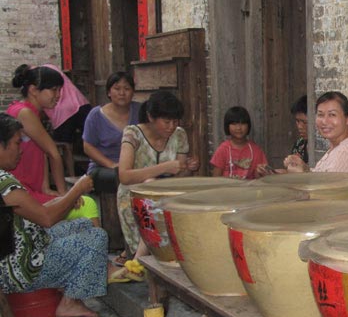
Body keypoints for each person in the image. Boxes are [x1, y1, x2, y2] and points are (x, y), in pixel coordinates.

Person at [0, 113, 107, 317]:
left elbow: (33, 212)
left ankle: (71, 289)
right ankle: (70, 301)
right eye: (15, 143)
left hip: (23, 249)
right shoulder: (4, 182)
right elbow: (46, 218)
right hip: (22, 268)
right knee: (97, 238)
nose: (20, 151)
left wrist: (65, 199)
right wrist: (76, 190)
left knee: (84, 225)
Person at [7, 64, 99, 222]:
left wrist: (47, 189)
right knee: (88, 205)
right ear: (34, 90)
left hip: (29, 190)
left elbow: (42, 153)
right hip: (22, 193)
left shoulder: (29, 111)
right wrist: (66, 196)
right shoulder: (25, 113)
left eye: (59, 90)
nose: (58, 95)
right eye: (54, 90)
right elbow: (53, 153)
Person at [117, 91, 200, 260]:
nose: (171, 126)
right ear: (151, 117)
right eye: (166, 121)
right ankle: (139, 259)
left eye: (175, 121)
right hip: (134, 197)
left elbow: (179, 178)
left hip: (168, 196)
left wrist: (188, 168)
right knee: (150, 185)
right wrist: (164, 168)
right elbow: (124, 176)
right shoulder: (133, 134)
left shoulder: (179, 135)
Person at [82, 72, 142, 191]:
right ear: (109, 92)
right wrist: (112, 165)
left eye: (127, 89)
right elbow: (87, 146)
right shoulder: (95, 115)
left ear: (133, 92)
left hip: (135, 167)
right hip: (103, 168)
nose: (122, 93)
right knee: (121, 177)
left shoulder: (140, 111)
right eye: (117, 88)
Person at [284, 91, 348, 174]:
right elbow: (323, 177)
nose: (324, 121)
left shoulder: (345, 154)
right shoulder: (337, 148)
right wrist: (304, 167)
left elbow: (326, 186)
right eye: (320, 115)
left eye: (332, 115)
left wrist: (302, 173)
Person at [210, 106, 271, 179]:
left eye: (242, 123)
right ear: (227, 126)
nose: (238, 128)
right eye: (234, 124)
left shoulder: (256, 151)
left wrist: (261, 172)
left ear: (248, 126)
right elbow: (216, 179)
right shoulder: (223, 150)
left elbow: (261, 179)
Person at [287, 96, 309, 165]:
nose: (299, 127)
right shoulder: (299, 144)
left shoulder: (325, 146)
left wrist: (303, 166)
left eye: (305, 122)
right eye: (297, 121)